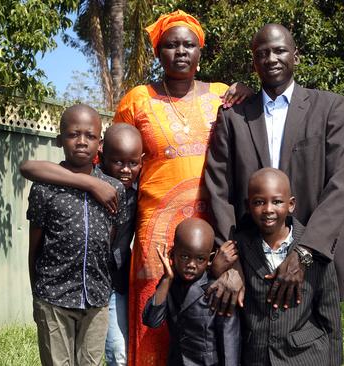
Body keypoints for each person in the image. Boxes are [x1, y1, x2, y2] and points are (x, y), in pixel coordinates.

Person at [113, 10, 252, 366]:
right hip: (157, 237)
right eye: (170, 45)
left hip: (213, 235)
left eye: (188, 44)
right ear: (158, 53)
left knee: (213, 320)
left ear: (200, 51)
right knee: (156, 321)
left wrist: (250, 92)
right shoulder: (137, 100)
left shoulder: (224, 96)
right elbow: (116, 159)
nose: (180, 52)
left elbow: (252, 136)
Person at [205, 24, 344, 316]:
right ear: (254, 63)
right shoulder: (233, 117)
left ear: (296, 55)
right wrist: (232, 261)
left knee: (316, 350)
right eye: (262, 53)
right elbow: (219, 191)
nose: (271, 58)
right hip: (250, 259)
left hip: (315, 258)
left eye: (279, 50)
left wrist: (303, 253)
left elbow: (340, 185)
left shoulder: (329, 108)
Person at [21, 122, 143, 366]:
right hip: (57, 292)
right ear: (103, 154)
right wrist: (91, 183)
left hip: (102, 289)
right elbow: (27, 167)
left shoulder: (125, 189)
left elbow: (109, 239)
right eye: (117, 161)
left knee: (104, 357)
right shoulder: (54, 186)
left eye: (90, 135)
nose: (125, 170)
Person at [233, 168, 341, 365]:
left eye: (277, 201)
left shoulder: (314, 248)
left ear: (291, 204)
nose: (268, 209)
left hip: (306, 356)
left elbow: (330, 314)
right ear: (248, 206)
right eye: (258, 202)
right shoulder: (239, 246)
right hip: (256, 356)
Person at [142, 217, 240, 366]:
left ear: (209, 259)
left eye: (200, 259)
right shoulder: (169, 284)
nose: (191, 265)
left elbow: (229, 343)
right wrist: (167, 279)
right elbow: (152, 320)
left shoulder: (218, 289)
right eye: (185, 256)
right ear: (172, 253)